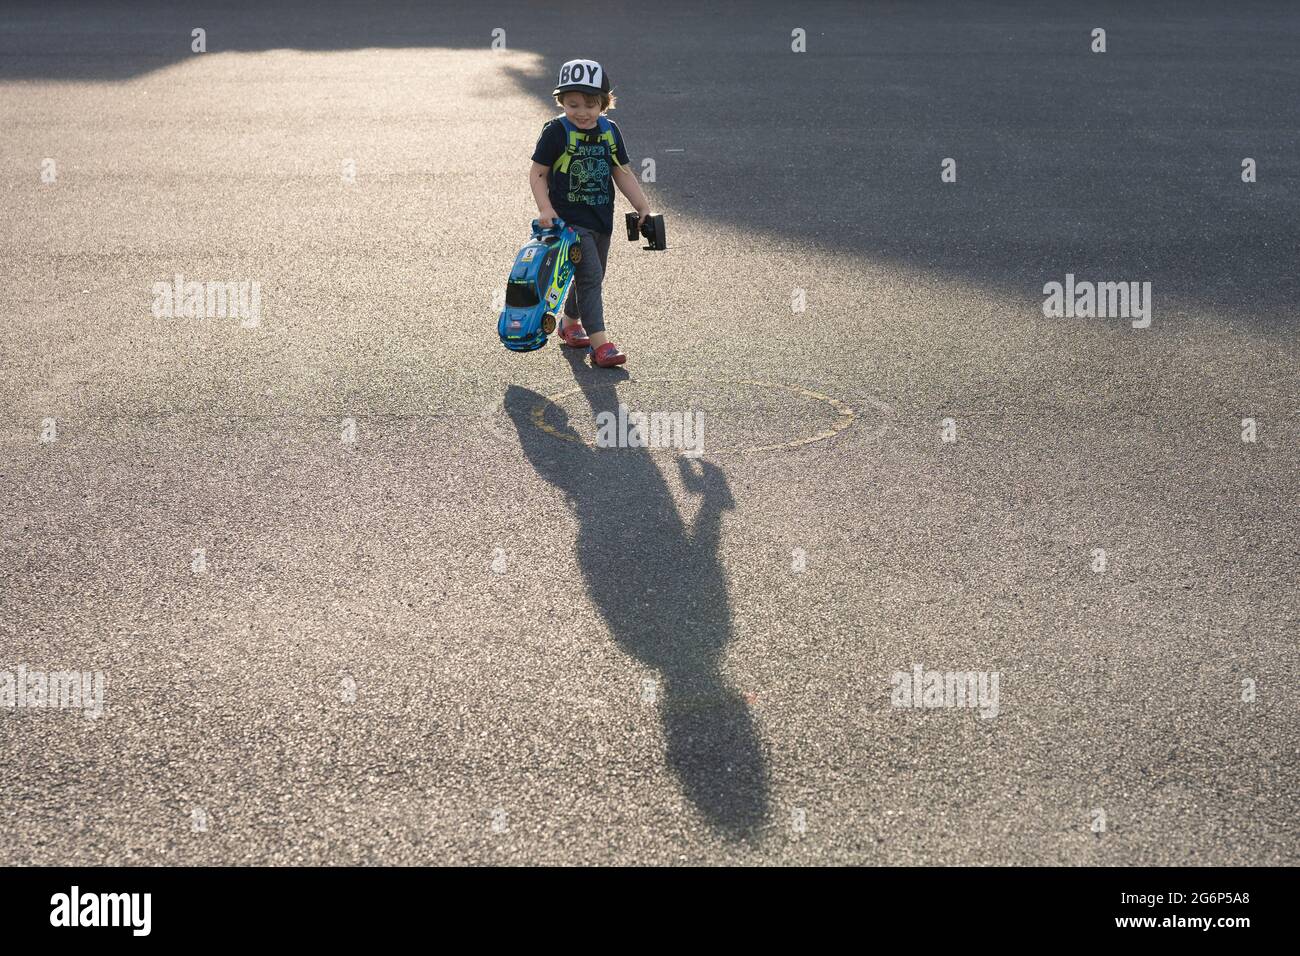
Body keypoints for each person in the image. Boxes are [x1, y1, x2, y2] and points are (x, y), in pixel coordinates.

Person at [528, 58, 652, 368]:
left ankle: (570, 323)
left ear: (605, 103)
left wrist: (642, 206)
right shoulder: (556, 131)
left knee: (589, 276)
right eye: (573, 104)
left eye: (590, 104)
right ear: (561, 102)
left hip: (601, 220)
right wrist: (546, 208)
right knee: (591, 277)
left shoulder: (610, 131)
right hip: (569, 224)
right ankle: (601, 345)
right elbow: (538, 173)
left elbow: (621, 172)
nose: (582, 112)